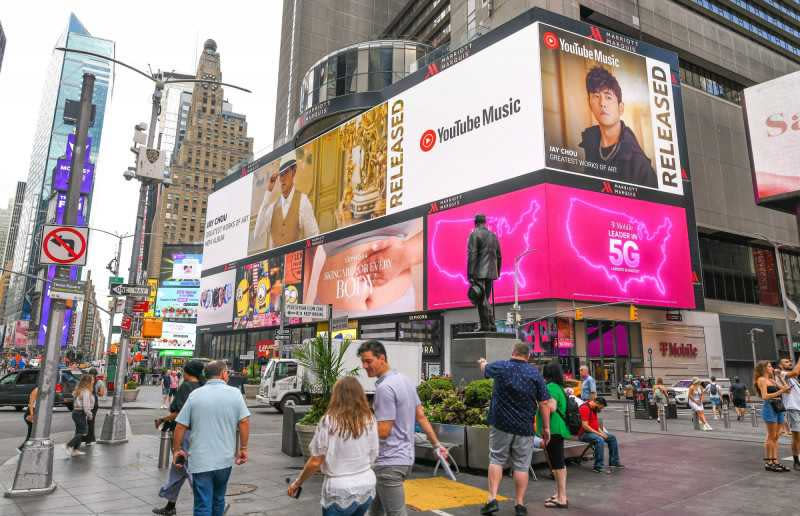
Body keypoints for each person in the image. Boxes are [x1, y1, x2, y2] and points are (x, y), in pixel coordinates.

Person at [356, 340, 447, 516]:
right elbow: (420, 416)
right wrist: (436, 444)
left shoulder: (384, 388)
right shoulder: (405, 380)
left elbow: (383, 431)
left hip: (389, 461)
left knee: (396, 513)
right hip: (405, 459)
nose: (364, 366)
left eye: (368, 361)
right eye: (363, 361)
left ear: (382, 358)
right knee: (375, 511)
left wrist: (358, 429)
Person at [478, 341, 551, 516]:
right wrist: (546, 428)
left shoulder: (502, 366)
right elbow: (544, 403)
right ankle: (519, 504)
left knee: (496, 459)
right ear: (528, 356)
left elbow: (485, 369)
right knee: (521, 466)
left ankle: (492, 499)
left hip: (501, 424)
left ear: (513, 352)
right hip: (524, 427)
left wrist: (482, 362)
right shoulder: (535, 373)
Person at [288, 377, 379, 515]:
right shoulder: (370, 419)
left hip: (339, 490)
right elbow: (374, 453)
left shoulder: (329, 421)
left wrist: (297, 482)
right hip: (366, 486)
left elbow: (315, 461)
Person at [174, 360, 250, 516]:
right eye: (227, 372)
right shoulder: (235, 393)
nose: (228, 374)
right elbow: (244, 421)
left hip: (201, 461)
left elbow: (180, 426)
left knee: (203, 504)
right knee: (218, 500)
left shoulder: (195, 395)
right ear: (222, 374)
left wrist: (177, 450)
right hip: (224, 460)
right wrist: (243, 448)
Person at [578, 66, 658, 188]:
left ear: (621, 108)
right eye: (596, 96)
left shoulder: (638, 163)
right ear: (589, 103)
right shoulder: (590, 143)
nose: (602, 103)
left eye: (608, 97)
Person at [153, 360, 206, 516]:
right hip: (199, 432)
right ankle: (170, 505)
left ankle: (212, 502)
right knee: (178, 469)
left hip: (185, 434)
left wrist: (163, 420)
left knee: (189, 469)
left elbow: (179, 413)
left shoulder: (186, 387)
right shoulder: (203, 387)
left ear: (188, 371)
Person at [252, 150, 320, 249]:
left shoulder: (303, 201)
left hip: (296, 262)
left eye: (286, 172)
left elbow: (314, 236)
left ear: (294, 172)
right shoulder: (272, 207)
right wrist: (268, 193)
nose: (282, 179)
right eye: (281, 174)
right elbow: (257, 234)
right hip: (273, 264)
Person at [538, 360, 569, 509]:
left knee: (557, 464)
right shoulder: (557, 387)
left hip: (554, 430)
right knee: (557, 464)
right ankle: (558, 493)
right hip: (557, 429)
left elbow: (551, 407)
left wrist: (539, 401)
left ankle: (562, 497)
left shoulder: (550, 387)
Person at [754, 361, 791, 472]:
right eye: (769, 366)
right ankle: (770, 462)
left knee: (776, 436)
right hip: (769, 407)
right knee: (771, 436)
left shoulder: (772, 380)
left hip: (778, 407)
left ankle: (775, 461)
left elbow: (787, 390)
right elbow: (765, 396)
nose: (771, 368)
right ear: (763, 368)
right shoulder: (761, 379)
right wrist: (780, 390)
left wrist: (780, 377)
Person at [467, 214, 501, 332]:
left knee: (482, 300)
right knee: (485, 299)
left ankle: (487, 325)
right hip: (491, 273)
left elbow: (472, 255)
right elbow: (499, 256)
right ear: (484, 222)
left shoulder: (474, 234)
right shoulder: (493, 236)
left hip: (479, 272)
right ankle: (490, 325)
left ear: (475, 223)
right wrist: (497, 272)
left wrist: (470, 274)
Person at [578, 397, 623, 473]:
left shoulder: (594, 408)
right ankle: (598, 466)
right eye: (600, 407)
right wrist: (600, 434)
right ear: (597, 403)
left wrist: (602, 433)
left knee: (612, 438)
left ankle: (614, 462)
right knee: (599, 439)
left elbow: (596, 425)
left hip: (593, 432)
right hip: (584, 434)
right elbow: (585, 426)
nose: (600, 409)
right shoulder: (585, 408)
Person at [777, 358, 800, 470]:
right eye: (786, 362)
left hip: (798, 408)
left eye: (790, 362)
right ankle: (796, 461)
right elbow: (796, 371)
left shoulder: (793, 378)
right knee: (797, 437)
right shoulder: (781, 373)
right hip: (793, 409)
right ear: (780, 366)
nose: (790, 363)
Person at [65, 374, 95, 457]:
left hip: (76, 412)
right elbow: (86, 406)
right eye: (92, 380)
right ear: (88, 382)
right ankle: (69, 445)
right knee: (83, 431)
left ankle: (75, 450)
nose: (93, 381)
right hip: (80, 413)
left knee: (79, 432)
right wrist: (89, 415)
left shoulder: (79, 390)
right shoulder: (86, 391)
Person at [83, 368, 107, 446]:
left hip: (90, 402)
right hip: (90, 401)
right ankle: (90, 439)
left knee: (89, 421)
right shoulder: (98, 382)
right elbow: (101, 394)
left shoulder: (93, 382)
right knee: (90, 421)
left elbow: (101, 394)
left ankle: (89, 439)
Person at [19, 387, 38, 452]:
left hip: (34, 413)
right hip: (30, 413)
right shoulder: (35, 391)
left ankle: (24, 449)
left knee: (33, 434)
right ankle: (21, 449)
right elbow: (31, 404)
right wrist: (32, 415)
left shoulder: (41, 390)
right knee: (31, 435)